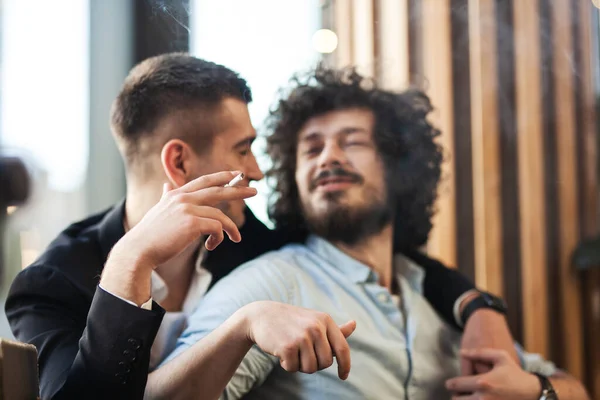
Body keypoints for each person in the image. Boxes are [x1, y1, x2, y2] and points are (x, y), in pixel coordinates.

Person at [7, 54, 511, 400]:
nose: (257, 170)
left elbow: (375, 249)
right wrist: (129, 261)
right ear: (179, 163)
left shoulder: (257, 242)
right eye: (242, 149)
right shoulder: (50, 283)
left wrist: (478, 307)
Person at [156, 66, 590, 400]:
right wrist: (242, 327)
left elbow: (577, 388)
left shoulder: (439, 299)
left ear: (397, 166)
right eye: (311, 148)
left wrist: (537, 390)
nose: (328, 157)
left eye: (352, 141)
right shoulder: (274, 282)